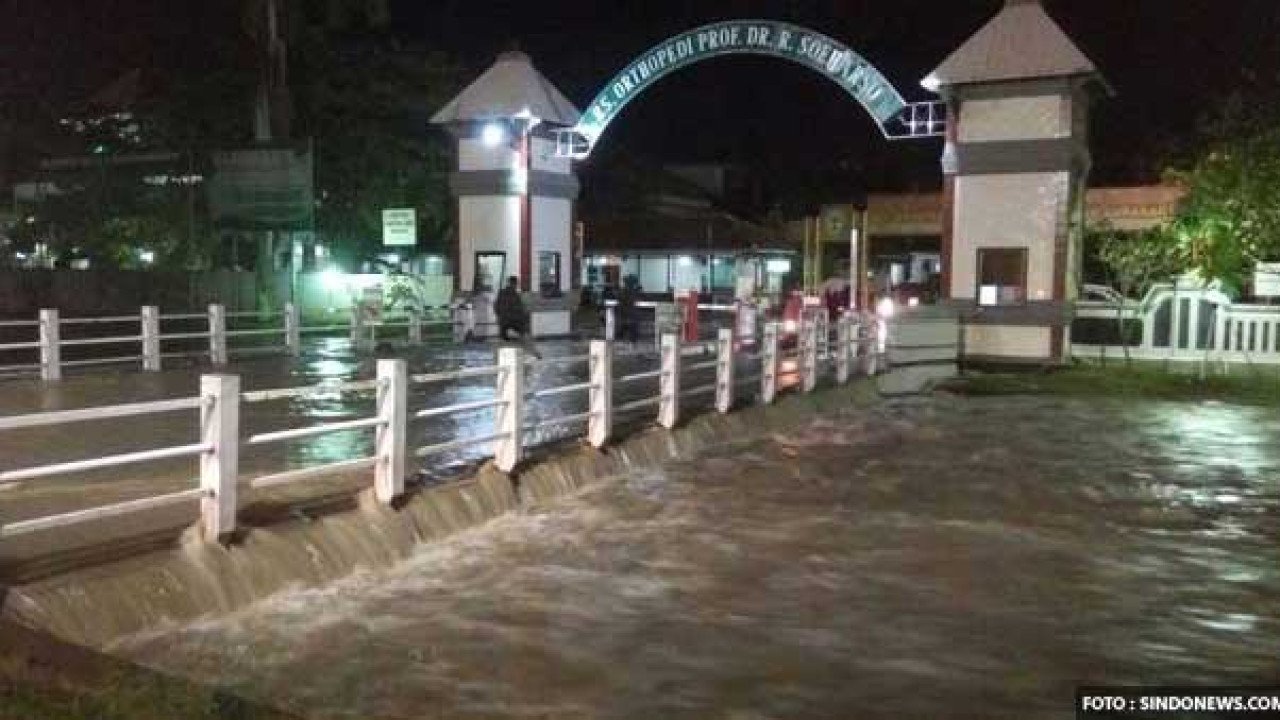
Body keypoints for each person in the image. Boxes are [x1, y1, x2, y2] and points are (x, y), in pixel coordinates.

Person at [493, 276, 542, 358]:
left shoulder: (501, 293)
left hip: (503, 321)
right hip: (514, 321)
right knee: (525, 336)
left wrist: (499, 316)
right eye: (516, 284)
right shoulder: (515, 295)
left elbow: (496, 306)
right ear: (515, 284)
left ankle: (500, 358)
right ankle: (535, 353)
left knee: (503, 339)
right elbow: (519, 309)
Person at [617, 274, 641, 344]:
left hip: (625, 312)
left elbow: (620, 298)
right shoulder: (635, 291)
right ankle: (632, 338)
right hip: (630, 312)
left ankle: (622, 335)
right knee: (632, 323)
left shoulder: (624, 291)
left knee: (625, 322)